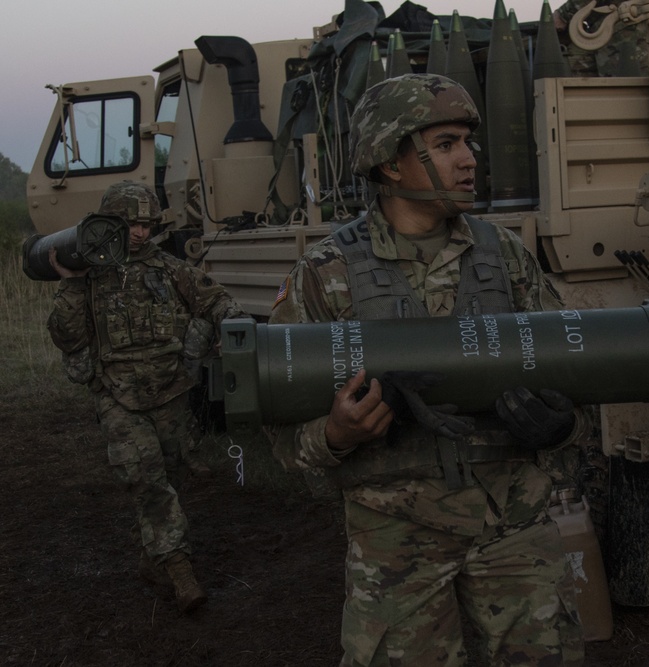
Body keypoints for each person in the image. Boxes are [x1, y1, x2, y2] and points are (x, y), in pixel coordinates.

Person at [268, 73, 587, 665]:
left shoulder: (505, 255)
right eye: (445, 145)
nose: (469, 160)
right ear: (389, 162)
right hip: (397, 540)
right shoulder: (326, 274)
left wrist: (561, 428)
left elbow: (578, 378)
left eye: (469, 143)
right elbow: (280, 437)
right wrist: (335, 435)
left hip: (514, 524)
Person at [46, 181, 246, 614]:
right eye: (129, 223)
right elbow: (67, 337)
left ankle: (151, 557)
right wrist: (73, 285)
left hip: (171, 390)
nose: (138, 233)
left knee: (172, 480)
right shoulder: (89, 275)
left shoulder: (171, 269)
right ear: (109, 224)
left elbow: (216, 299)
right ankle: (180, 570)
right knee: (147, 480)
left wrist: (231, 324)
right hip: (117, 396)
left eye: (145, 224)